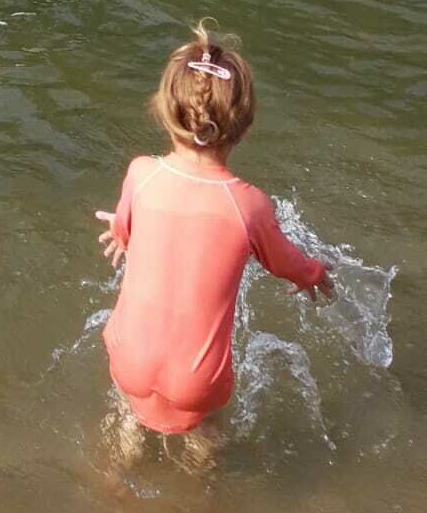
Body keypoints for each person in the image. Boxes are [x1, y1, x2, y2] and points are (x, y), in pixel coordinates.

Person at [94, 23, 333, 470]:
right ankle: (196, 506)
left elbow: (124, 225)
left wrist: (121, 233)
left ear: (164, 110)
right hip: (197, 380)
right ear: (243, 127)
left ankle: (116, 477)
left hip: (129, 355)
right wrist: (315, 274)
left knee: (128, 411)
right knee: (207, 433)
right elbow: (287, 264)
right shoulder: (248, 204)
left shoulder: (140, 173)